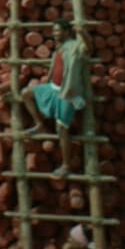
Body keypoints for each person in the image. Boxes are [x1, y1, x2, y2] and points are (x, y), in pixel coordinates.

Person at [21, 19, 93, 176]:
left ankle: (66, 165)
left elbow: (88, 48)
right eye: (54, 30)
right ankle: (39, 124)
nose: (54, 33)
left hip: (68, 92)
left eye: (57, 30)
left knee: (62, 128)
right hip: (52, 88)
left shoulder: (74, 46)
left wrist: (82, 33)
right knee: (26, 93)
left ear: (66, 31)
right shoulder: (59, 47)